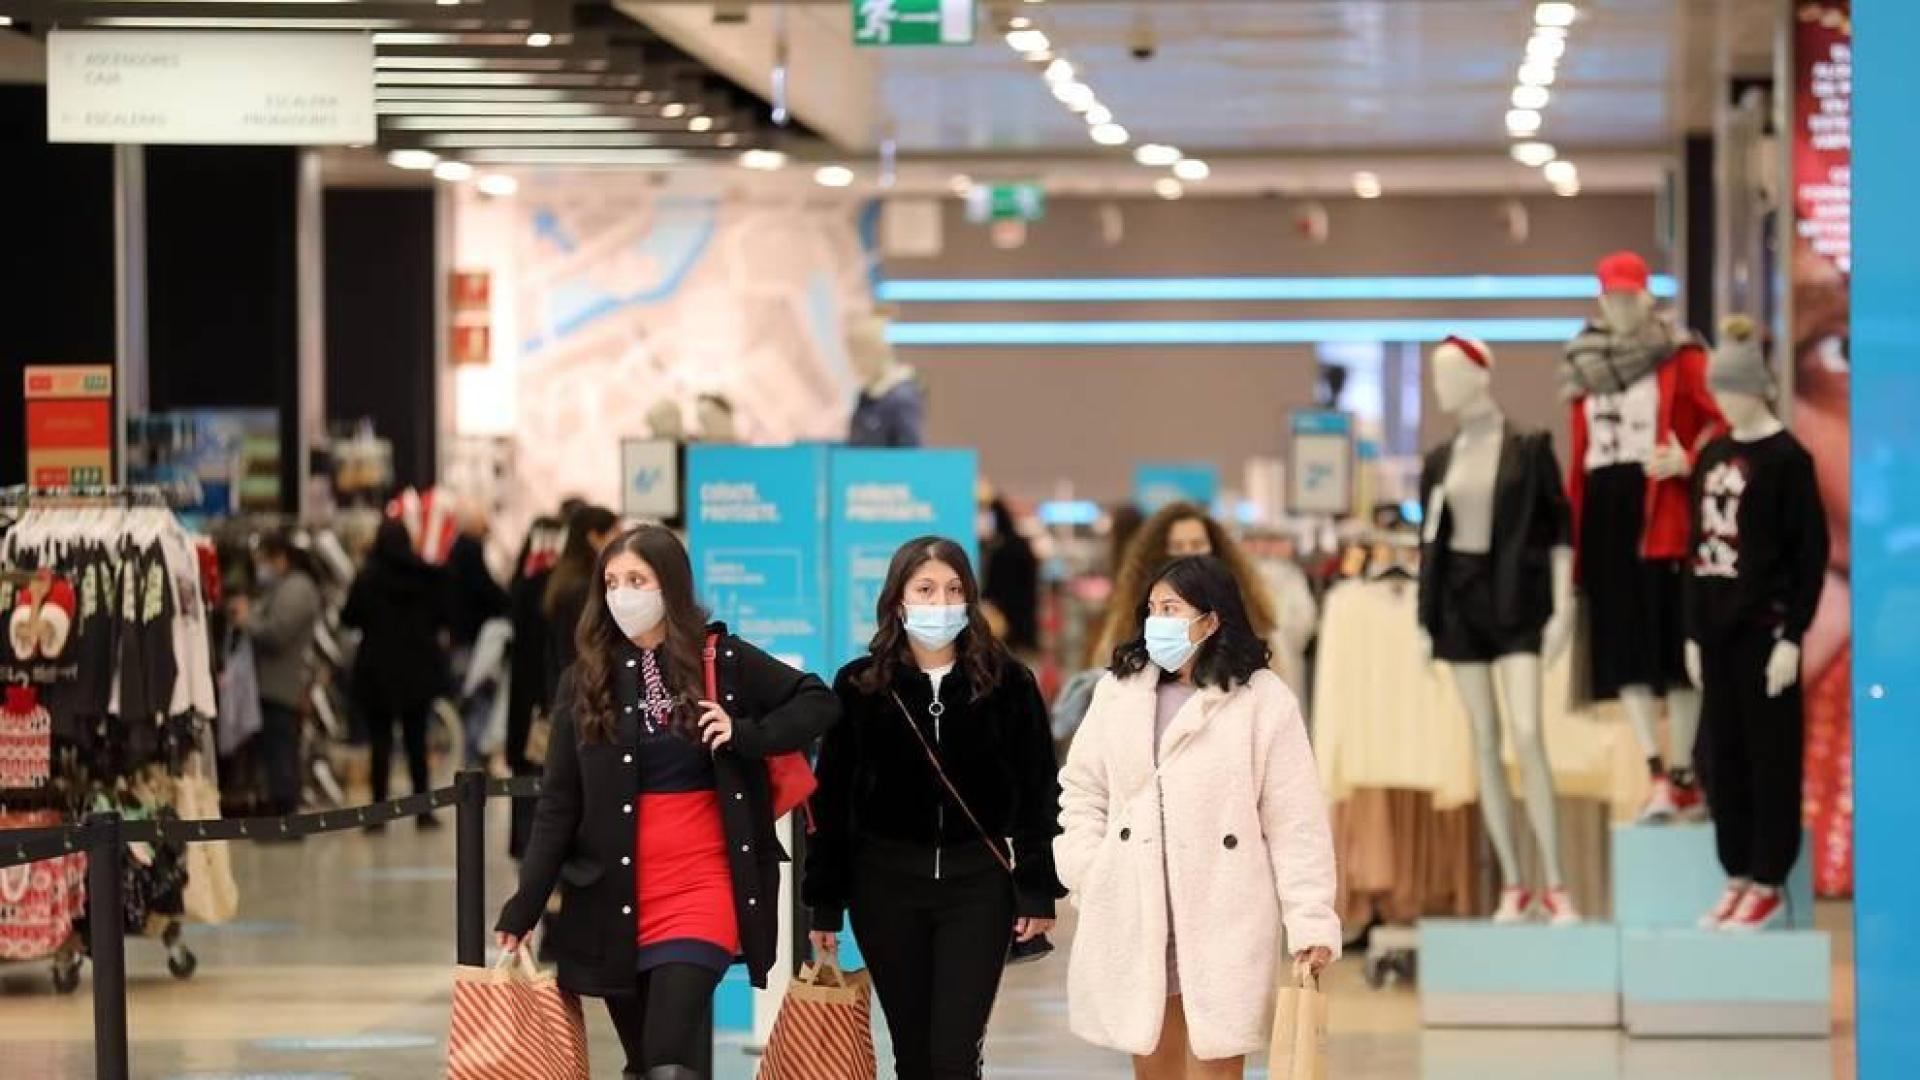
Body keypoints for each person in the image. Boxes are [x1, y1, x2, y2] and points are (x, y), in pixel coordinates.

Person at [496, 525, 839, 1080]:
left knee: (665, 1055)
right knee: (644, 1062)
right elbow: (558, 804)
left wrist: (746, 733)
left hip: (705, 886)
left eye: (637, 579)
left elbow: (818, 701)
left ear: (671, 586)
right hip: (612, 895)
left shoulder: (721, 659)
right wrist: (524, 906)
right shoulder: (585, 680)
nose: (621, 594)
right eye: (611, 582)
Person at [1057, 555, 1339, 1080]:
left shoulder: (1262, 701)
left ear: (1210, 620)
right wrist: (1088, 868)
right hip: (1137, 908)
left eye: (1173, 608)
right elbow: (1082, 787)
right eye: (1153, 609)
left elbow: (1295, 822)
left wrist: (1310, 919)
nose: (1158, 621)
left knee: (1216, 1069)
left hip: (1223, 912)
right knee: (1154, 1070)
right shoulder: (1119, 692)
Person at [804, 536, 1063, 1080]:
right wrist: (824, 904)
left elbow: (1039, 790)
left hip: (979, 891)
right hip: (886, 889)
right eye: (925, 589)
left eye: (952, 590)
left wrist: (1037, 884)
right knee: (913, 1055)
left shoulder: (1008, 682)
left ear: (970, 599)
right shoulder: (859, 686)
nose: (940, 603)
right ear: (898, 600)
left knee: (953, 1056)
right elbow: (831, 800)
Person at [342, 519, 452, 830]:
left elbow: (349, 617)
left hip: (377, 670)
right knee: (417, 743)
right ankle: (423, 811)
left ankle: (378, 815)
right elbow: (442, 617)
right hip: (416, 670)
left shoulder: (367, 578)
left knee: (380, 744)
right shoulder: (426, 576)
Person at [1091, 502, 1280, 674]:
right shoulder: (1130, 618)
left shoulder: (1246, 609)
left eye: (1197, 544)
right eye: (1177, 546)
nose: (1188, 553)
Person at [233, 530, 322, 822]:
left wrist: (248, 620)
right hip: (273, 683)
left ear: (280, 559)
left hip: (282, 685)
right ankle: (280, 811)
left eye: (265, 561)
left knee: (282, 751)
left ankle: (287, 816)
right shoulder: (287, 587)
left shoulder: (297, 589)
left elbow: (277, 632)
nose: (262, 568)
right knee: (276, 751)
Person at [447, 506, 511, 768]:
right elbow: (485, 591)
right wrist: (508, 603)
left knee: (471, 694)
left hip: (461, 636)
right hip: (474, 638)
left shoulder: (456, 552)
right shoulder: (470, 553)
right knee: (477, 693)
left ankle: (473, 753)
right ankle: (475, 754)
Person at [543, 504, 619, 706]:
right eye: (615, 533)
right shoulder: (584, 589)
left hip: (566, 690)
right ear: (594, 537)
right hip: (582, 695)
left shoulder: (564, 579)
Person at [978, 494, 1040, 653]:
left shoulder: (1004, 550)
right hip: (1020, 626)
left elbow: (995, 587)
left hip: (1008, 625)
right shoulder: (1018, 545)